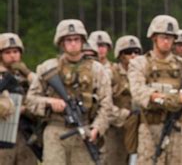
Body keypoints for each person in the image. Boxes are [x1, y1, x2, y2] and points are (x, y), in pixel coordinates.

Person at [26, 19, 113, 165]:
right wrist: (50, 102)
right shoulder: (48, 68)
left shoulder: (97, 69)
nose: (73, 43)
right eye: (68, 40)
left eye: (76, 39)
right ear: (61, 43)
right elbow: (30, 100)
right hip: (55, 131)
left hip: (84, 131)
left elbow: (106, 104)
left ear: (82, 41)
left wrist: (97, 128)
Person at [127, 15, 182, 165]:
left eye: (171, 38)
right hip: (150, 129)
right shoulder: (139, 63)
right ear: (154, 37)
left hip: (179, 130)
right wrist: (158, 97)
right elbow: (137, 90)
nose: (167, 41)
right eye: (163, 37)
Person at [0, 33, 38, 165]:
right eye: (8, 52)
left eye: (16, 52)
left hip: (25, 133)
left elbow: (42, 89)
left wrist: (27, 73)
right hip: (2, 135)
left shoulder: (25, 76)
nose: (12, 56)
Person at [104, 35, 143, 165]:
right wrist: (125, 115)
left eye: (136, 52)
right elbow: (103, 102)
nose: (133, 55)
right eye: (128, 52)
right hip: (116, 129)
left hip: (139, 128)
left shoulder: (144, 73)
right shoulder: (110, 73)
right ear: (120, 55)